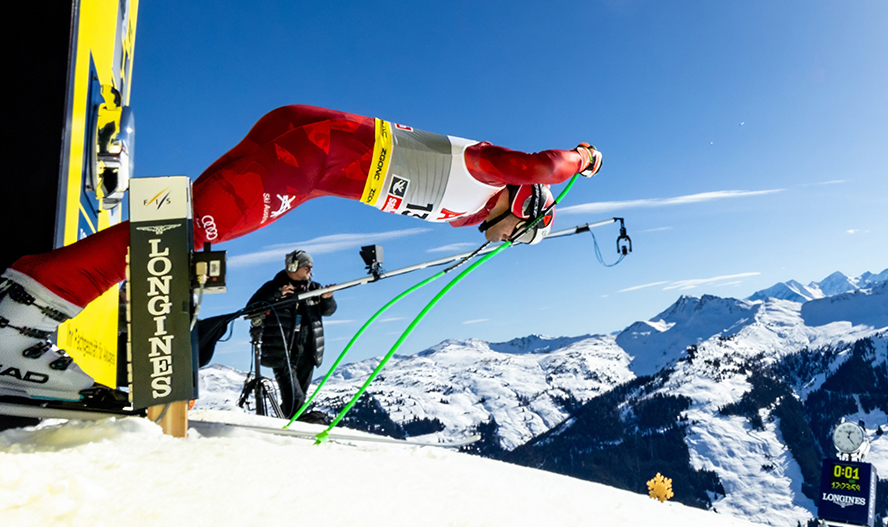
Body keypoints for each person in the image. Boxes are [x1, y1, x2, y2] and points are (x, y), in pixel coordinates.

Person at [0, 105, 602, 401]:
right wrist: (581, 159)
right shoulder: (493, 171)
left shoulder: (472, 214)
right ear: (521, 204)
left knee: (182, 228)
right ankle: (21, 316)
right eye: (523, 234)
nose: (510, 242)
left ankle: (30, 305)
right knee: (178, 232)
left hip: (310, 157)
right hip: (308, 159)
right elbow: (543, 166)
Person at [246, 250, 334, 422]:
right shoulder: (272, 287)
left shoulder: (314, 289)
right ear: (293, 267)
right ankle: (298, 424)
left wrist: (327, 299)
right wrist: (277, 294)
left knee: (297, 395)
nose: (310, 270)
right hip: (282, 350)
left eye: (311, 267)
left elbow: (328, 311)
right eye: (307, 267)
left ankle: (285, 424)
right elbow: (251, 309)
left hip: (308, 350)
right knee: (295, 396)